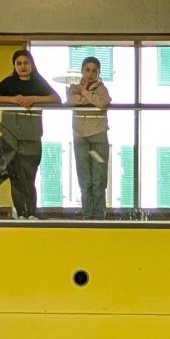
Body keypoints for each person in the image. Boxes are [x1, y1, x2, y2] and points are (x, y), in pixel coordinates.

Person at [0, 47, 60, 217]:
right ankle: (21, 213)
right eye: (18, 63)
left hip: (31, 138)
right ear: (14, 66)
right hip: (11, 138)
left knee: (29, 177)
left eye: (26, 63)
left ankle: (31, 212)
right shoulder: (8, 82)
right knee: (15, 178)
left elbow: (56, 99)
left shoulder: (38, 82)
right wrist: (12, 99)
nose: (22, 66)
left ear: (32, 64)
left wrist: (33, 99)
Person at [69, 55, 112, 217]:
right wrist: (89, 97)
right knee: (84, 179)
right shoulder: (73, 88)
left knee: (99, 179)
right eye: (87, 70)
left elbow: (102, 103)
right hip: (80, 137)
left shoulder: (102, 89)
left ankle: (99, 216)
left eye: (94, 71)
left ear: (98, 73)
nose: (90, 73)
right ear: (82, 71)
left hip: (98, 136)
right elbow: (71, 100)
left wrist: (84, 93)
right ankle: (87, 215)